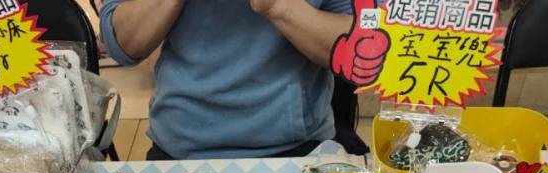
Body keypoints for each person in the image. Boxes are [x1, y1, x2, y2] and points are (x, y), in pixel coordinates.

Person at [100, 0, 375, 160]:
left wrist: (279, 6)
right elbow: (123, 44)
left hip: (299, 150)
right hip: (180, 149)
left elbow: (368, 48)